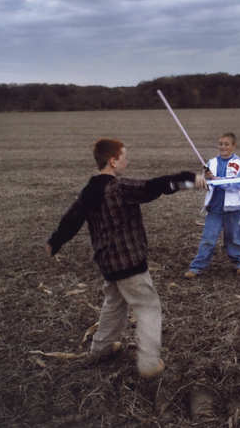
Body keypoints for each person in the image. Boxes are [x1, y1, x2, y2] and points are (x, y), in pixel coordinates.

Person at [45, 138, 206, 376]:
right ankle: (149, 363)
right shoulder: (118, 188)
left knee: (114, 304)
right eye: (124, 157)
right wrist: (192, 180)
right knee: (149, 307)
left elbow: (71, 220)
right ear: (113, 161)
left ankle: (101, 349)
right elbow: (155, 186)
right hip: (129, 263)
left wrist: (54, 242)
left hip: (108, 264)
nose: (127, 161)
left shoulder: (89, 191)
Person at [184, 132, 240, 278]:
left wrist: (216, 179)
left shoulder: (239, 164)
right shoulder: (211, 163)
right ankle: (197, 267)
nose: (223, 147)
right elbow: (206, 185)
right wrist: (206, 179)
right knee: (208, 238)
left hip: (233, 208)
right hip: (214, 208)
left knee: (235, 238)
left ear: (233, 146)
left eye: (226, 144)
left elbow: (238, 185)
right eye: (220, 144)